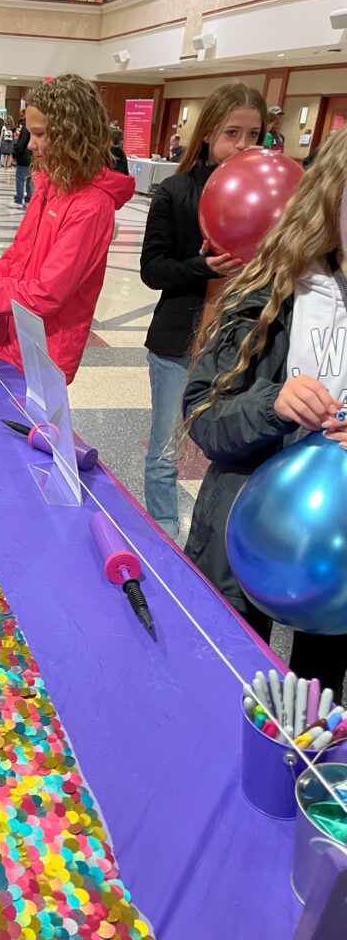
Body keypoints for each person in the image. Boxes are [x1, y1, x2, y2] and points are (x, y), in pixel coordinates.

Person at [182, 127, 347, 693]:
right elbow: (204, 418)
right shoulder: (271, 289)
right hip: (239, 535)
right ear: (330, 197)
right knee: (217, 679)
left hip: (336, 560)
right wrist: (271, 404)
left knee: (314, 703)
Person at [0, 74, 135, 384]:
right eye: (30, 132)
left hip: (45, 353)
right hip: (14, 338)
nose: (31, 144)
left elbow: (46, 295)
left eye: (40, 134)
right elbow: (16, 259)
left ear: (73, 134)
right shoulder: (50, 185)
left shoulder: (90, 206)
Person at [140, 82, 266, 538]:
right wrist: (202, 266)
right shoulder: (175, 191)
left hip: (242, 346)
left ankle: (218, 539)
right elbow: (152, 269)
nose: (243, 146)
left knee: (233, 448)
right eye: (234, 133)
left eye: (255, 135)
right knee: (165, 450)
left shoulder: (271, 199)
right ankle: (164, 532)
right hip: (178, 342)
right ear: (210, 134)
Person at [12, 118, 33, 208]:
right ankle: (28, 199)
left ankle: (18, 200)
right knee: (30, 180)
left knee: (20, 179)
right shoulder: (35, 129)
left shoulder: (25, 129)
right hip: (33, 158)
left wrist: (15, 154)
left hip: (24, 158)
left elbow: (21, 144)